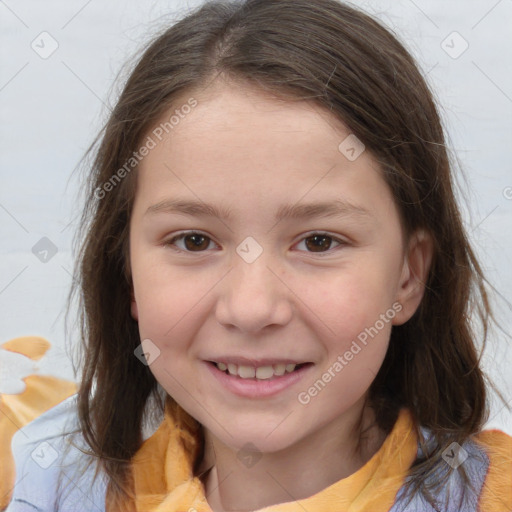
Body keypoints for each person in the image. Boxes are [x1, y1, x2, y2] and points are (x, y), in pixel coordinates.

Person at [3, 0, 511, 510]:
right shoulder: (46, 481)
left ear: (409, 276)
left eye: (318, 241)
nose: (250, 309)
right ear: (128, 272)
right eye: (194, 241)